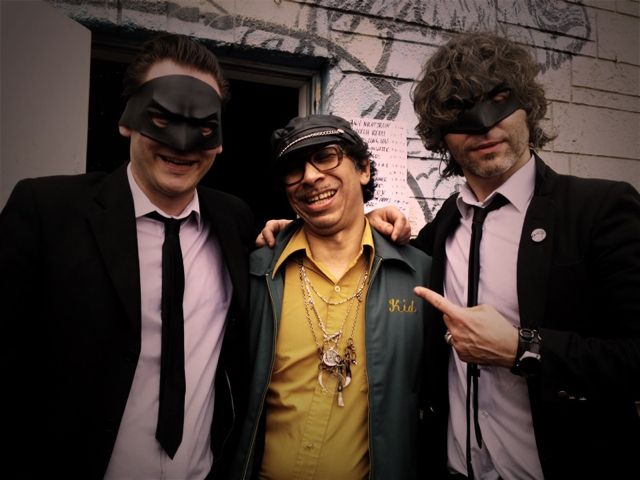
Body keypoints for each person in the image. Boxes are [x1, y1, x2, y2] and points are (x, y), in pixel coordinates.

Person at [0, 34, 255, 478]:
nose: (182, 143)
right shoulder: (47, 211)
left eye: (202, 126)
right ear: (126, 121)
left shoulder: (236, 222)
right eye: (161, 118)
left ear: (218, 140)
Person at [405, 32, 640, 479]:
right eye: (459, 109)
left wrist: (523, 348)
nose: (484, 126)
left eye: (498, 100)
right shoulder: (445, 224)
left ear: (527, 108)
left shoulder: (600, 210)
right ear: (441, 135)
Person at [231, 114, 432, 479]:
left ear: (364, 170)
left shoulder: (419, 276)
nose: (309, 177)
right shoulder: (254, 272)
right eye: (293, 168)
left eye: (325, 156)